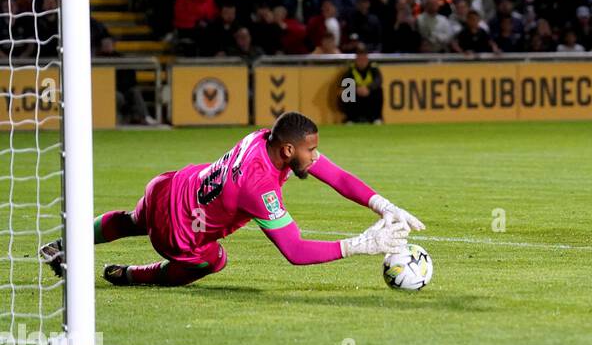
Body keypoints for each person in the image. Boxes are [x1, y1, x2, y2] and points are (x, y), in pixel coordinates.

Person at [39, 112, 422, 287]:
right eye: (311, 150)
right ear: (289, 150)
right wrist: (360, 245)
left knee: (129, 220)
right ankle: (132, 275)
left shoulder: (262, 139)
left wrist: (383, 205)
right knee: (214, 260)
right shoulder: (260, 188)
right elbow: (295, 251)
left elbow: (333, 175)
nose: (316, 157)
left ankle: (66, 242)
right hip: (178, 234)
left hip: (169, 187)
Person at [342, 45, 384, 124]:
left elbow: (378, 80)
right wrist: (356, 89)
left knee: (379, 90)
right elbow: (345, 82)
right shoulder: (351, 69)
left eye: (364, 59)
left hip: (369, 97)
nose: (361, 61)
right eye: (359, 59)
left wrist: (369, 88)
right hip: (356, 99)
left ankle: (376, 118)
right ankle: (350, 119)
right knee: (347, 92)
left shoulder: (373, 68)